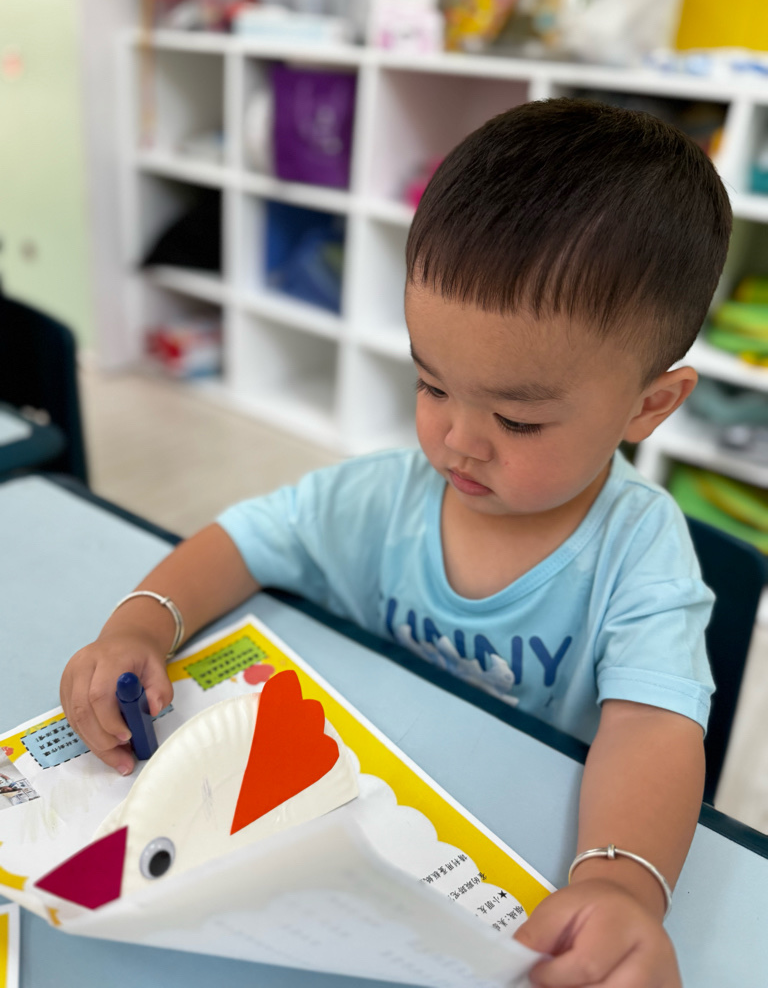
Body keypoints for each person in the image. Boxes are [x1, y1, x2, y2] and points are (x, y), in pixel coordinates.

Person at [60, 98, 732, 987]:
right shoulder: (387, 495)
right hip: (368, 828)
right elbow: (244, 541)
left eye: (518, 420)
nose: (457, 440)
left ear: (649, 406)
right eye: (431, 385)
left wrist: (620, 884)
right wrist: (141, 624)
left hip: (518, 849)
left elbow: (652, 728)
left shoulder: (640, 552)